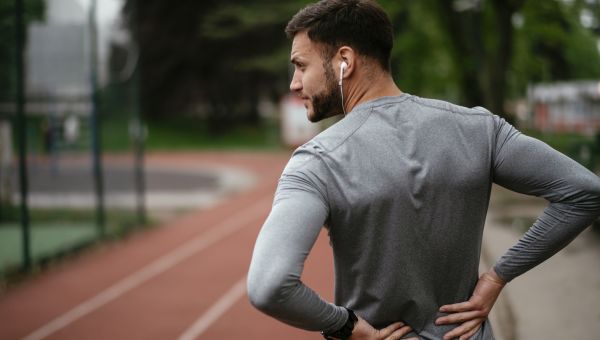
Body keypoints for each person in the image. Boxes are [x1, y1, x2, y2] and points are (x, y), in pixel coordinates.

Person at [246, 0, 600, 339]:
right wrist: (497, 278)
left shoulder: (318, 160)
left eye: (301, 65)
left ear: (344, 61)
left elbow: (269, 285)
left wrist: (344, 326)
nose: (295, 83)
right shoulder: (479, 129)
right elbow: (585, 192)